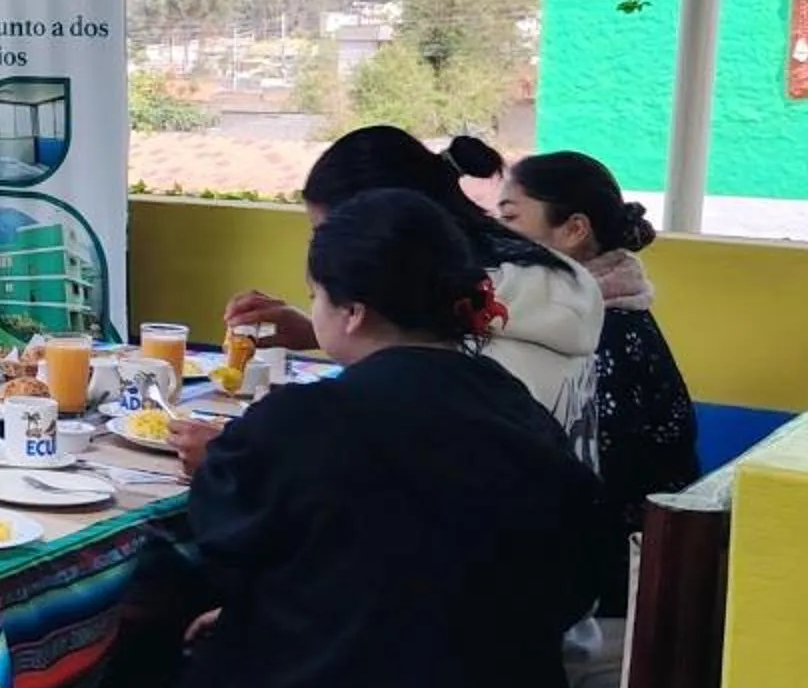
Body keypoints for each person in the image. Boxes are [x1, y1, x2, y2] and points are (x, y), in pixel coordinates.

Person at [161, 188, 611, 688]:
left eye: (317, 295)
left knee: (155, 672)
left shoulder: (306, 422)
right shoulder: (521, 413)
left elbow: (225, 544)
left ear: (352, 313)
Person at [229, 127, 603, 456]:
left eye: (329, 234)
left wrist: (245, 457)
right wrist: (319, 330)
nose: (324, 258)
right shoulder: (527, 282)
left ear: (387, 227)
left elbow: (394, 457)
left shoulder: (468, 348)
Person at [495, 150, 702, 614]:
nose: (496, 238)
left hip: (609, 597)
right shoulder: (592, 322)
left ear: (572, 230)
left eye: (509, 218)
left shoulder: (601, 338)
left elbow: (584, 479)